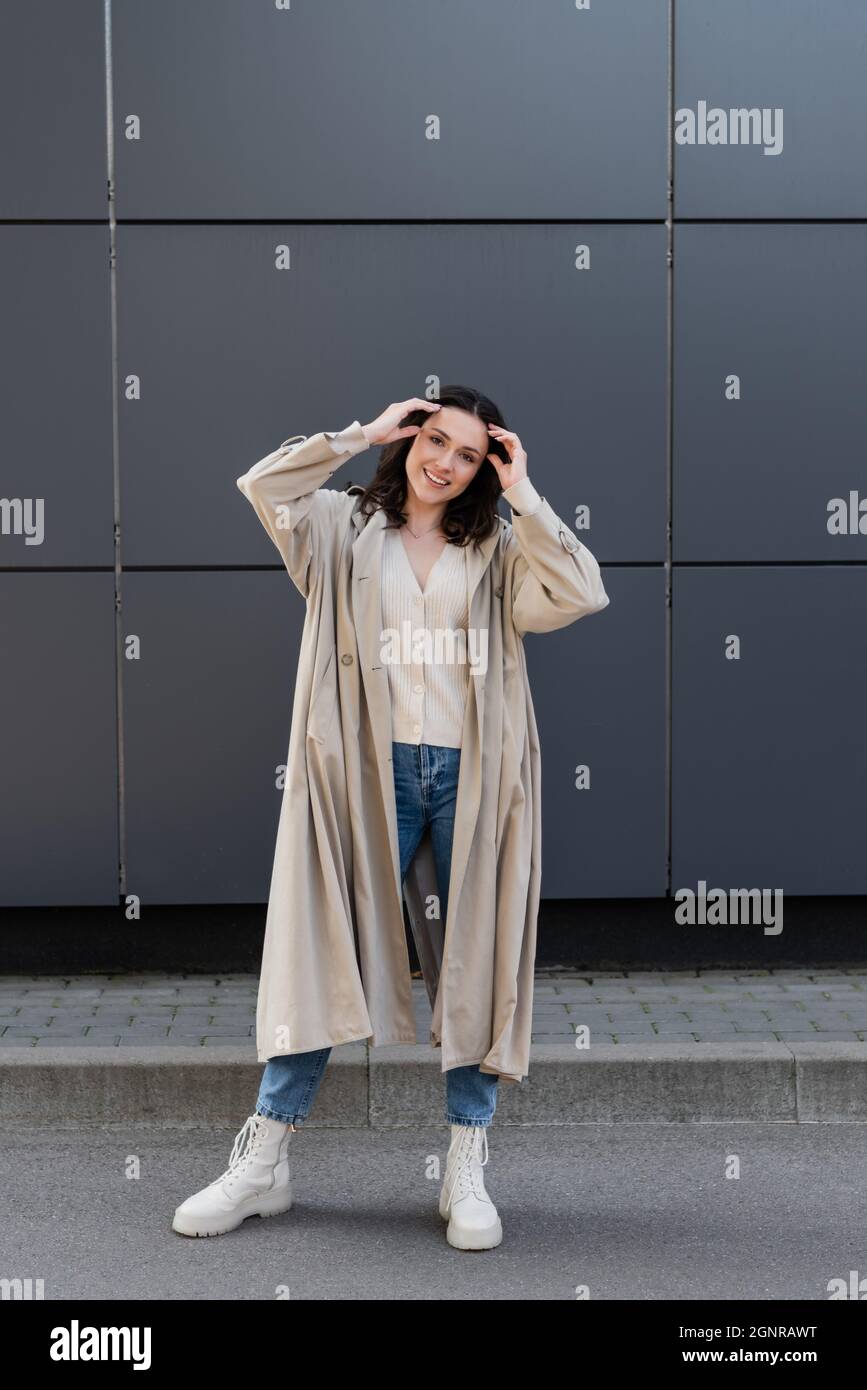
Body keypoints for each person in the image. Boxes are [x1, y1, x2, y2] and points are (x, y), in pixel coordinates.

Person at [172, 388, 609, 1249]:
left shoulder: (498, 544)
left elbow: (583, 591)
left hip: (469, 776)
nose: (444, 462)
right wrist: (357, 433)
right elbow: (265, 487)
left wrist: (525, 494)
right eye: (433, 440)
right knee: (319, 950)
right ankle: (264, 1161)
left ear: (487, 466)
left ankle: (466, 1165)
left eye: (468, 454)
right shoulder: (339, 530)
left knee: (475, 956)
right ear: (410, 438)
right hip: (363, 776)